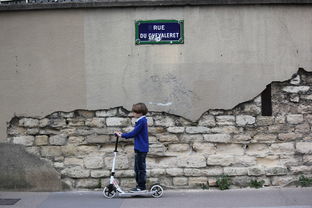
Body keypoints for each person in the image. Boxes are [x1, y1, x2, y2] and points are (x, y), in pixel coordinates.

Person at [115, 103, 149, 192]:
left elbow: (133, 133)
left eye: (134, 112)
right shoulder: (141, 120)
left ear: (140, 112)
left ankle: (141, 187)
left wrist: (122, 135)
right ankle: (139, 186)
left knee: (140, 169)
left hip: (141, 148)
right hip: (139, 148)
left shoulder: (142, 121)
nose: (133, 114)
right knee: (137, 168)